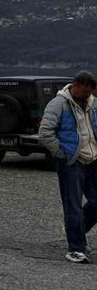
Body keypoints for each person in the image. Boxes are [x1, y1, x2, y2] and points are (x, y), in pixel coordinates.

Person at [38, 70, 97, 264]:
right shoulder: (58, 104)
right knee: (73, 205)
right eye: (84, 91)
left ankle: (75, 229)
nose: (87, 95)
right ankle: (76, 249)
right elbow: (45, 132)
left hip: (93, 159)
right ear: (75, 86)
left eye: (90, 92)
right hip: (71, 162)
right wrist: (62, 154)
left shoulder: (93, 104)